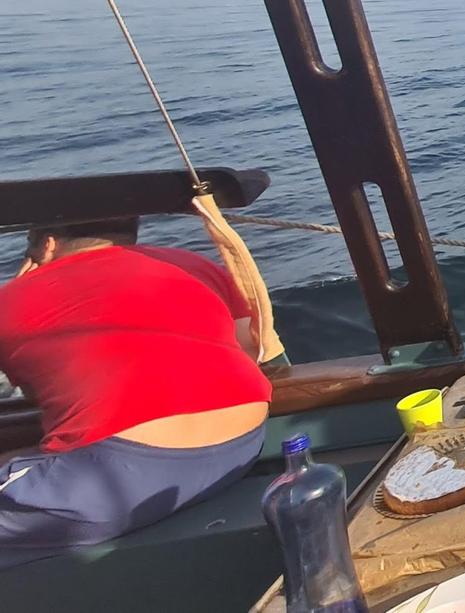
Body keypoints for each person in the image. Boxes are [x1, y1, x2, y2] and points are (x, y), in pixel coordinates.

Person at [0, 217, 271, 568]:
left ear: (48, 243)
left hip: (121, 474)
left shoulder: (15, 298)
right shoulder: (191, 263)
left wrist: (18, 292)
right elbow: (250, 348)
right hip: (242, 445)